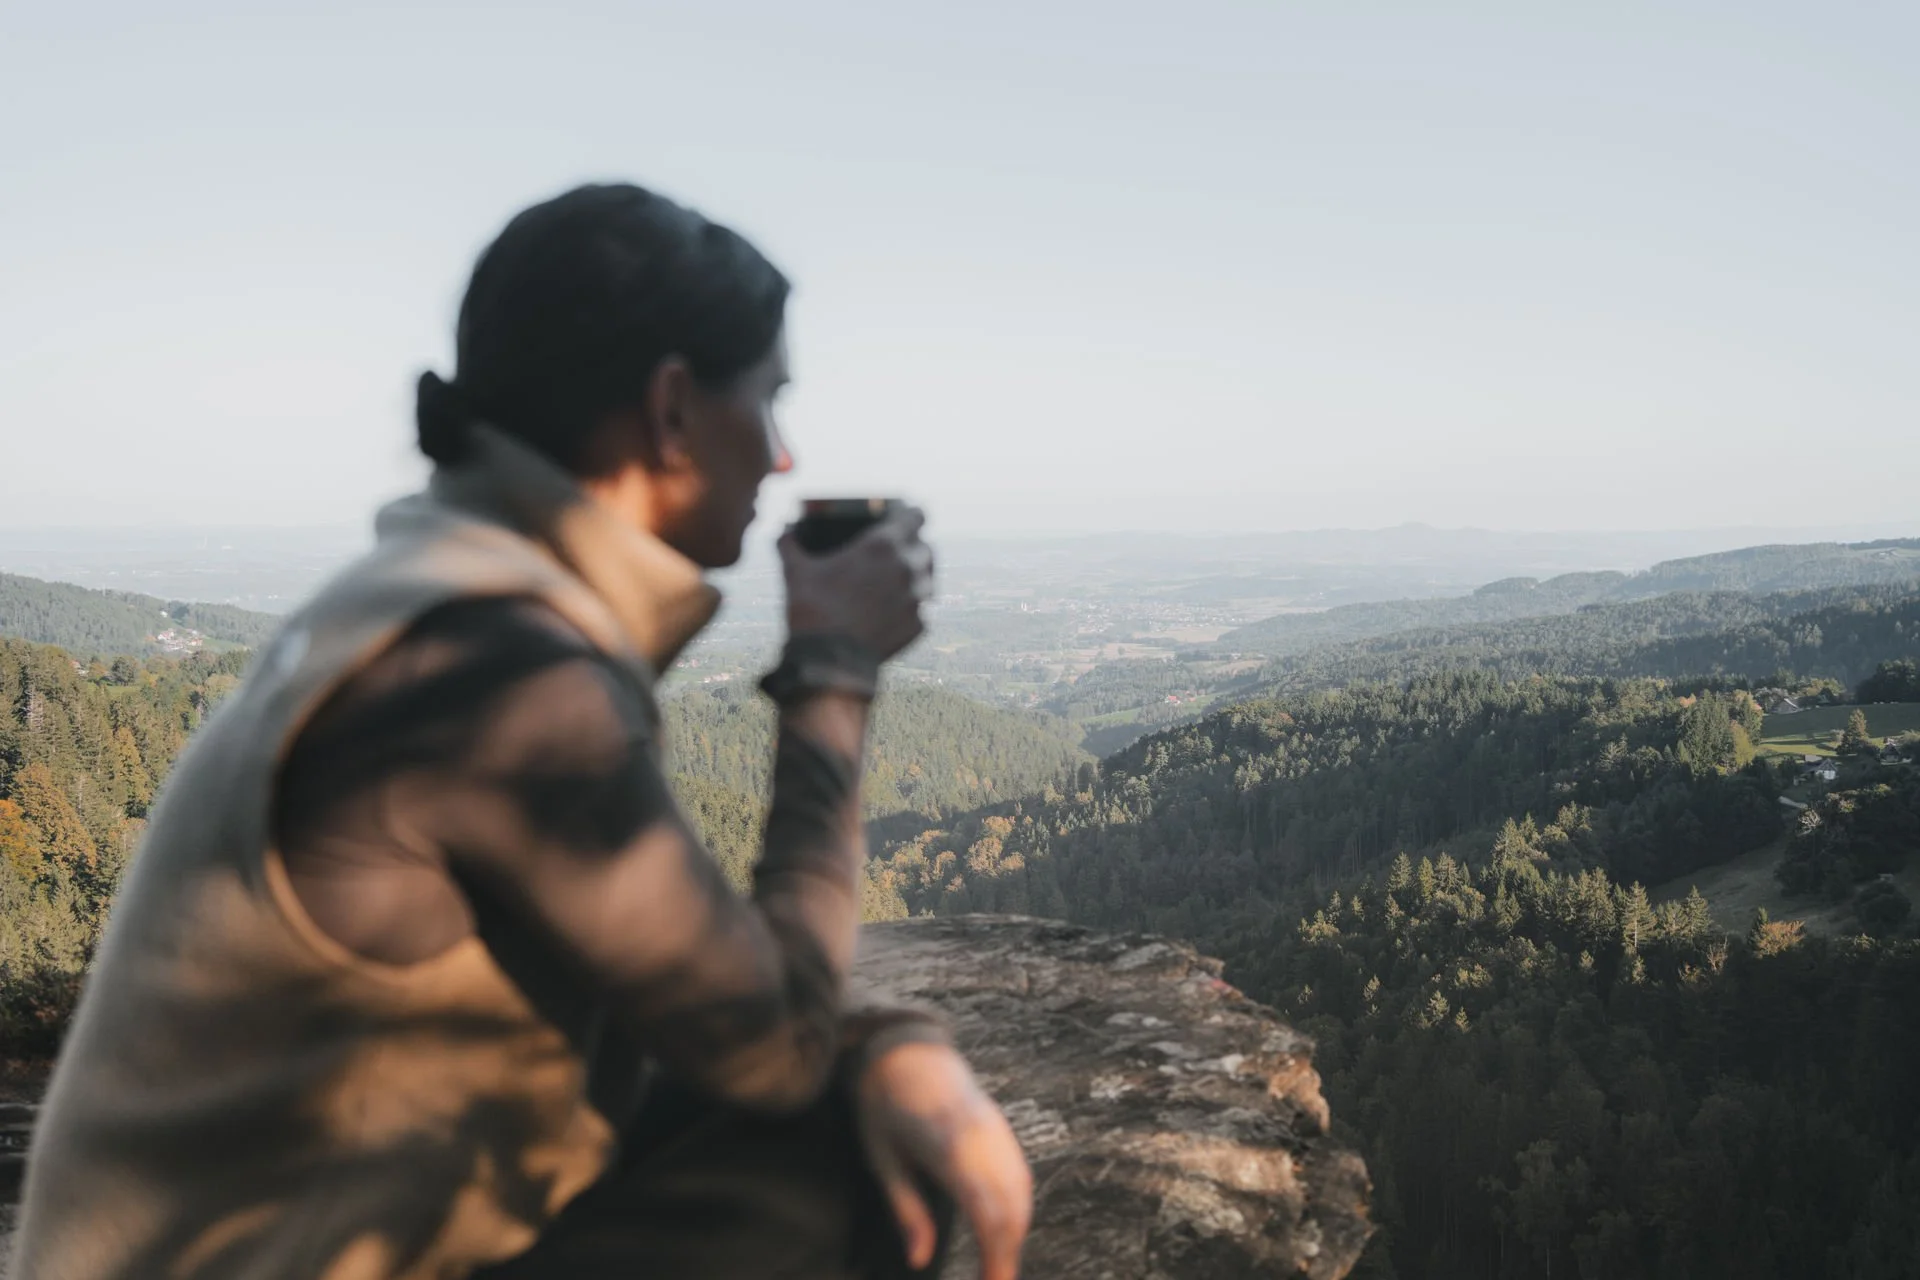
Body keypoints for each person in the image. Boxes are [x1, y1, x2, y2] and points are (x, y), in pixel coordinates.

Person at [13, 183, 1032, 1280]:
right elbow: (772, 1045)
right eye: (769, 400)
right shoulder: (498, 679)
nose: (783, 455)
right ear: (673, 408)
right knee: (851, 1167)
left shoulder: (424, 600)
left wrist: (880, 1042)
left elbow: (684, 992)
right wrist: (835, 669)